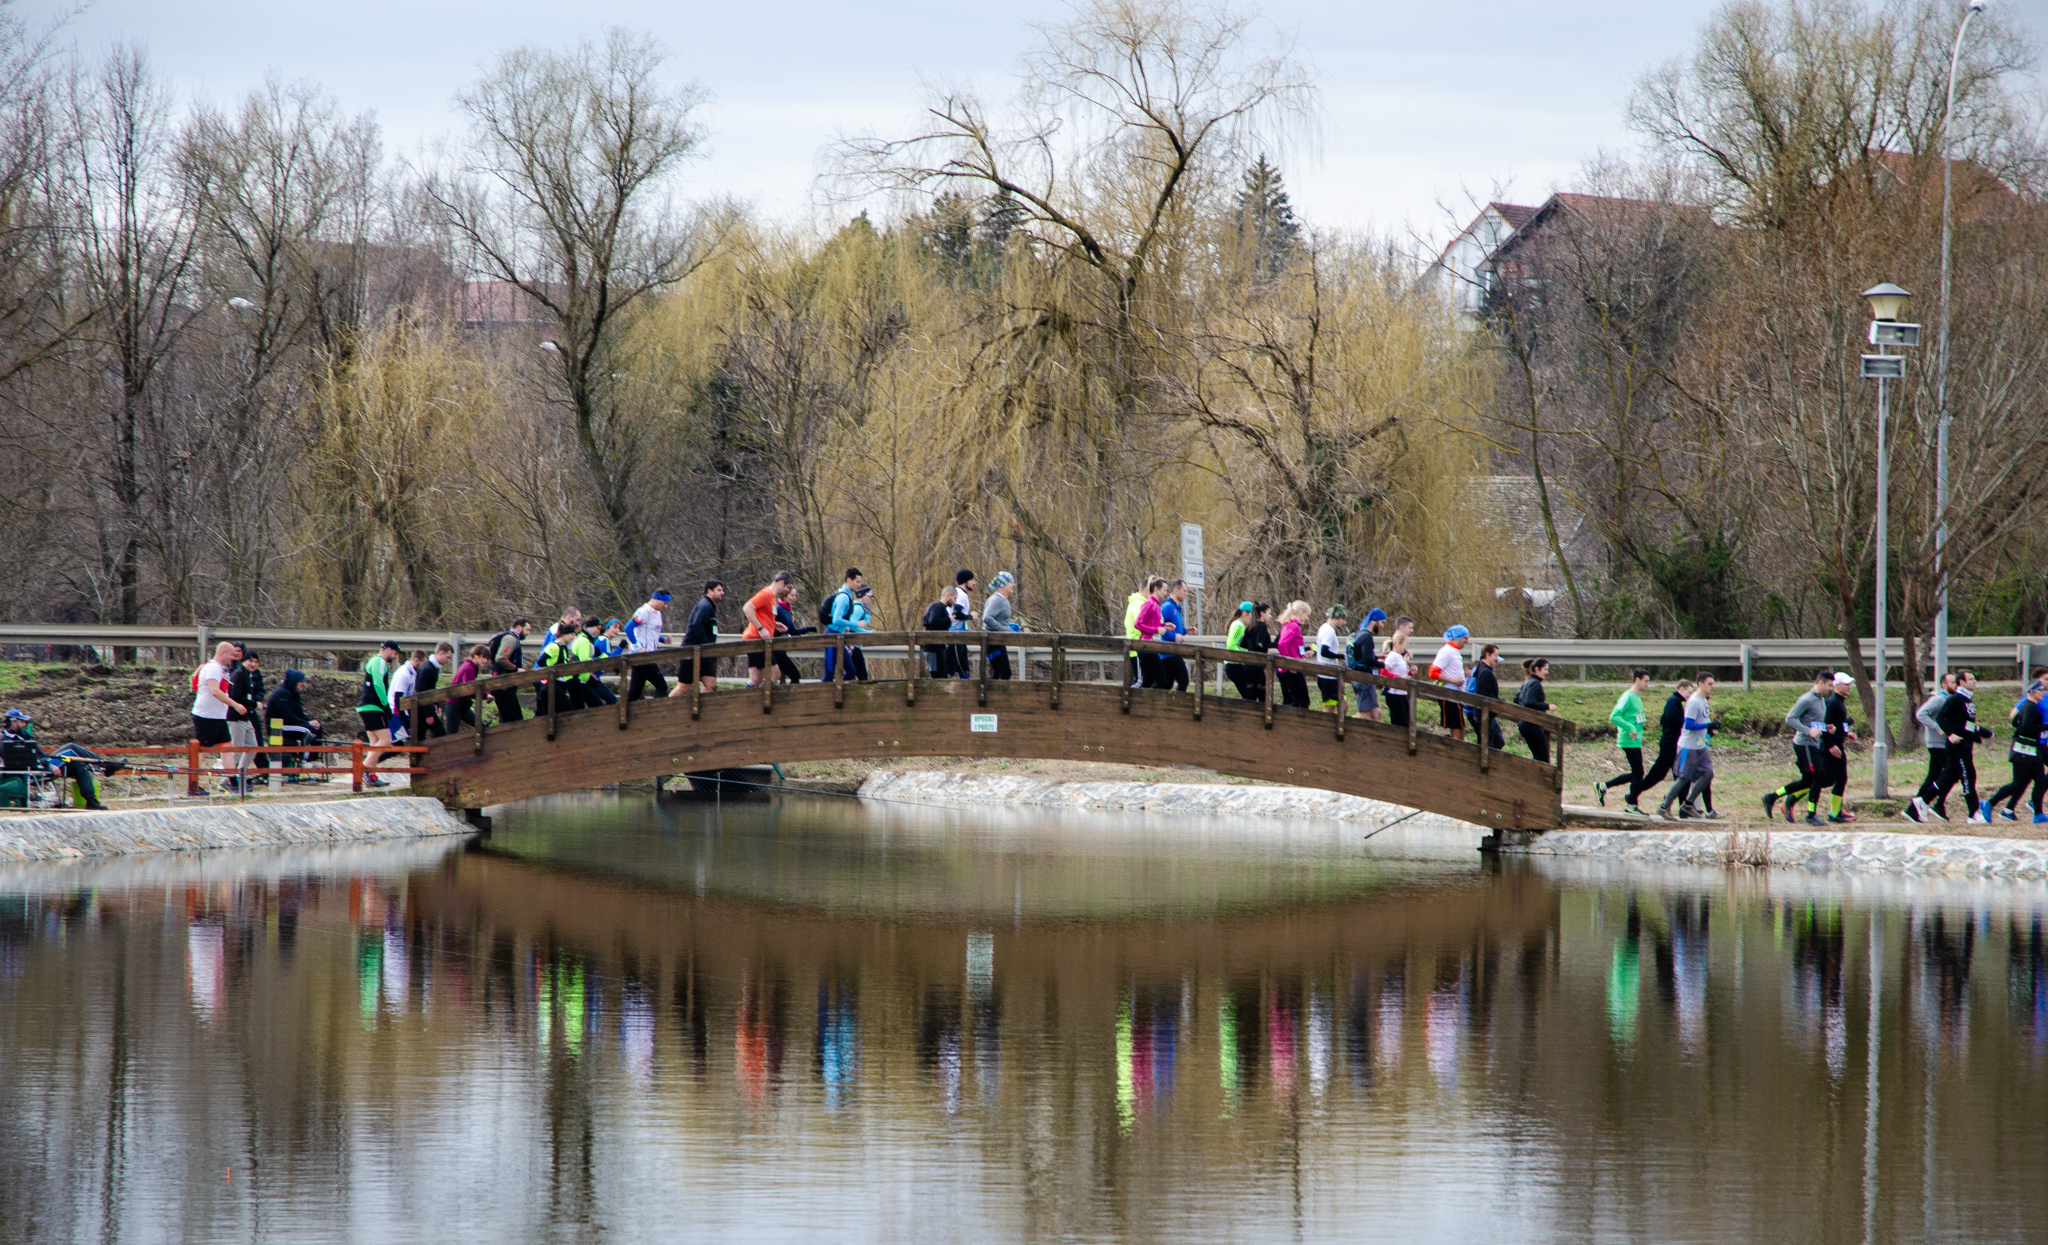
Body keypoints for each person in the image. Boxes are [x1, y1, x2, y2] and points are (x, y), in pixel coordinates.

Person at [2, 707, 110, 809]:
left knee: (76, 761)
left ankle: (91, 799)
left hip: (40, 763)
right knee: (70, 750)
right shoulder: (6, 740)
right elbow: (26, 759)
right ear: (13, 722)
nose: (25, 724)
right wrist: (49, 765)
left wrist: (47, 759)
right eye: (22, 721)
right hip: (33, 771)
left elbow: (37, 753)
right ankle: (106, 766)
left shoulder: (22, 736)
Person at [1765, 671, 1833, 825]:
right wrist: (1808, 731)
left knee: (1807, 781)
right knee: (1819, 776)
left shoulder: (1821, 699)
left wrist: (1825, 727)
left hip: (1812, 744)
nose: (1831, 689)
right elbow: (1790, 719)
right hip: (1805, 744)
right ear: (1820, 683)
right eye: (1829, 685)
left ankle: (1771, 797)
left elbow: (1811, 721)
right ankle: (1811, 815)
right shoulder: (1807, 699)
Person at [1928, 669, 1992, 822]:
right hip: (1957, 746)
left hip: (1966, 745)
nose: (1974, 681)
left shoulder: (1967, 701)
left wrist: (1979, 732)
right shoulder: (1955, 700)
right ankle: (1973, 813)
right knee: (1968, 776)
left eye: (1974, 679)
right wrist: (1950, 734)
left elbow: (1966, 724)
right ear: (1961, 682)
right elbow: (1941, 718)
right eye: (1971, 679)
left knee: (1949, 778)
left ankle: (1922, 802)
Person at [1659, 673, 1721, 820]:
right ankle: (1664, 807)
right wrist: (1708, 725)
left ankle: (1688, 805)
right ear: (1700, 684)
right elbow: (1688, 724)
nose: (1713, 686)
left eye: (1713, 683)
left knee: (1708, 774)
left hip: (1700, 746)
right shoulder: (1694, 702)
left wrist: (1709, 730)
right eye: (1710, 683)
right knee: (1683, 777)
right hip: (1688, 746)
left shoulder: (1703, 701)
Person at [1986, 681, 2048, 823]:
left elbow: (2016, 722)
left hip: (2032, 748)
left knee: (2040, 779)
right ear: (2032, 692)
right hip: (2024, 749)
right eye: (2040, 690)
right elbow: (2026, 727)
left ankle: (2038, 814)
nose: (2043, 692)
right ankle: (1989, 803)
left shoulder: (2028, 706)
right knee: (2018, 784)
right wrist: (2045, 727)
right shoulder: (2031, 707)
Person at [1595, 668, 1652, 815]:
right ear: (1637, 680)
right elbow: (1614, 716)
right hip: (1628, 740)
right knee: (1638, 773)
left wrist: (1640, 735)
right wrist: (1630, 728)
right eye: (1645, 681)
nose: (1647, 684)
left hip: (1635, 740)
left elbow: (1635, 718)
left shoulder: (1637, 697)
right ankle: (1631, 806)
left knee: (1636, 773)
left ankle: (1604, 786)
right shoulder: (1627, 696)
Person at [353, 641, 399, 789]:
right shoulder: (379, 662)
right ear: (389, 650)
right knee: (386, 741)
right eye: (395, 654)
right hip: (373, 707)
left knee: (375, 744)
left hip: (366, 707)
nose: (396, 657)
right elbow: (378, 684)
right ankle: (363, 768)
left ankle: (371, 776)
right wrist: (385, 705)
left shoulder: (373, 661)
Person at [265, 669, 324, 782]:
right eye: (301, 681)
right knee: (308, 731)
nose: (303, 684)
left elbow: (299, 713)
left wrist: (311, 721)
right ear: (294, 681)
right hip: (279, 726)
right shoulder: (281, 694)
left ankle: (313, 759)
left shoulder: (295, 693)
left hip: (290, 724)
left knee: (317, 728)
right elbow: (287, 717)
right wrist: (307, 724)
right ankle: (303, 762)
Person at [1910, 674, 1956, 820]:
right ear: (1944, 685)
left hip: (1941, 744)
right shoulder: (1938, 699)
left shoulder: (1948, 700)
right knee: (1952, 773)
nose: (1956, 685)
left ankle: (1913, 810)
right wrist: (1937, 727)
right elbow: (1921, 714)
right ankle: (1937, 805)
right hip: (1937, 744)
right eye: (1953, 682)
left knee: (1934, 775)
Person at [742, 573, 796, 688]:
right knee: (775, 674)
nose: (787, 590)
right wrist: (761, 628)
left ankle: (747, 703)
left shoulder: (772, 597)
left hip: (754, 640)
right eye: (787, 587)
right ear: (781, 582)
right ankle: (763, 703)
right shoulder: (766, 594)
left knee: (756, 679)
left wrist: (774, 624)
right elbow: (747, 608)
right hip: (756, 640)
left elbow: (762, 615)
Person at [1819, 671, 1859, 823]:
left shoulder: (1839, 701)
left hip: (1838, 745)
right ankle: (1791, 797)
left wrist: (1845, 734)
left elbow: (1837, 724)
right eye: (1846, 684)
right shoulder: (1833, 702)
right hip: (1830, 748)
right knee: (1824, 780)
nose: (1849, 687)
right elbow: (1824, 726)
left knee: (1841, 778)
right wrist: (1830, 746)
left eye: (1850, 684)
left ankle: (1835, 813)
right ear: (1836, 685)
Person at [674, 581, 726, 694]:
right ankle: (665, 709)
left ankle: (700, 711)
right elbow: (697, 624)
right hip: (691, 651)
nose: (723, 593)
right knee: (684, 687)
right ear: (710, 591)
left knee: (710, 684)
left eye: (722, 590)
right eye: (719, 590)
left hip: (703, 653)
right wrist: (706, 644)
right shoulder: (705, 605)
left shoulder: (711, 607)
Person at [226, 648, 266, 793]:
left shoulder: (248, 675)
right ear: (244, 661)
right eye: (250, 661)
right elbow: (235, 695)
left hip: (246, 717)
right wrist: (254, 704)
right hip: (236, 718)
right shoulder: (239, 675)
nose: (253, 664)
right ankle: (227, 780)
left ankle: (240, 776)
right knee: (236, 750)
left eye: (256, 662)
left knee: (252, 747)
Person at [625, 591, 673, 701]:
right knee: (662, 687)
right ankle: (654, 715)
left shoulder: (657, 614)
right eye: (665, 603)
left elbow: (652, 634)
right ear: (657, 599)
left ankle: (624, 716)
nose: (666, 606)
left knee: (634, 694)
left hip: (649, 655)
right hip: (642, 657)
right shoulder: (644, 611)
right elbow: (628, 628)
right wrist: (638, 647)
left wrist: (664, 640)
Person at [1427, 625, 1470, 741]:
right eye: (1466, 638)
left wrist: (1463, 676)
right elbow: (1433, 672)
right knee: (1458, 726)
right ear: (1458, 637)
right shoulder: (1447, 651)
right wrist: (1454, 681)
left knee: (1458, 726)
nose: (1467, 641)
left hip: (1456, 694)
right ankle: (1458, 752)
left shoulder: (1453, 651)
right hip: (1450, 694)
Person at [821, 570, 865, 682]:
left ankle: (837, 696)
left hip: (838, 636)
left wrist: (845, 626)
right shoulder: (844, 597)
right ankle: (820, 698)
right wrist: (856, 624)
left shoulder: (845, 596)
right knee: (829, 675)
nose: (859, 585)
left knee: (851, 671)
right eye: (857, 582)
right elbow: (836, 619)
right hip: (832, 636)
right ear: (849, 580)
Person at [487, 618, 532, 725]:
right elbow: (501, 658)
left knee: (509, 719)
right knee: (515, 720)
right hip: (503, 687)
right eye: (527, 630)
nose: (528, 633)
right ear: (519, 628)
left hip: (504, 686)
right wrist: (516, 669)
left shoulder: (509, 637)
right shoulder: (511, 639)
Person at [1346, 609, 1387, 720]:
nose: (1382, 626)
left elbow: (1362, 657)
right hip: (1363, 678)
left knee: (1376, 713)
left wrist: (1378, 656)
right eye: (1382, 622)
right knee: (1364, 713)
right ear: (1375, 621)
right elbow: (1367, 659)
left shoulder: (1360, 633)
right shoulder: (1367, 637)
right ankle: (1347, 731)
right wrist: (1384, 665)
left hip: (1363, 677)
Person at [1469, 643, 1506, 751]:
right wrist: (1499, 702)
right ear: (1487, 655)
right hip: (1484, 713)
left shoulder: (1480, 668)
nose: (1497, 659)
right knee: (1492, 743)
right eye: (1495, 656)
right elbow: (1485, 694)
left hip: (1481, 713)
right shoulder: (1486, 672)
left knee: (1495, 741)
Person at [983, 571, 1020, 680]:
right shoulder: (997, 600)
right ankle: (982, 692)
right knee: (1005, 674)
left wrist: (1009, 625)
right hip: (993, 643)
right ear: (1003, 585)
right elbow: (987, 618)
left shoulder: (1001, 599)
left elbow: (998, 618)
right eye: (1011, 582)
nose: (1014, 585)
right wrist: (1005, 629)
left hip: (997, 641)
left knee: (998, 675)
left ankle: (988, 695)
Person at [1133, 577, 1169, 689]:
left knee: (1148, 681)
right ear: (1156, 589)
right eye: (1164, 590)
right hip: (1146, 646)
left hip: (1150, 646)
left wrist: (1165, 626)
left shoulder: (1156, 605)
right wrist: (1157, 630)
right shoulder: (1149, 604)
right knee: (1162, 681)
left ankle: (1139, 704)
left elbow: (1152, 624)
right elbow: (1138, 624)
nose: (1166, 593)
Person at [1514, 658, 1552, 760]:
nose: (1547, 672)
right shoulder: (1535, 683)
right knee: (1543, 757)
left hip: (1523, 723)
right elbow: (1529, 702)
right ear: (1537, 669)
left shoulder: (1527, 682)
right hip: (1531, 723)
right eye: (1545, 669)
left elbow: (1516, 698)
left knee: (1537, 755)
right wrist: (1547, 706)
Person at [447, 645, 489, 735]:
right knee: (451, 735)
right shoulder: (469, 668)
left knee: (479, 725)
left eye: (487, 659)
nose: (485, 661)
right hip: (455, 704)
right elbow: (470, 690)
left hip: (460, 704)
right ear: (476, 655)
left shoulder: (470, 666)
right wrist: (486, 695)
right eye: (483, 657)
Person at [1158, 579, 1191, 692]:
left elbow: (1173, 628)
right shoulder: (1167, 607)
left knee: (1167, 683)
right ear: (1176, 590)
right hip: (1169, 651)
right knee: (1183, 680)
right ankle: (1178, 708)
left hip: (1174, 650)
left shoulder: (1176, 608)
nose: (1186, 594)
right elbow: (1159, 627)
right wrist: (1174, 637)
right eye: (1184, 591)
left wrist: (1186, 630)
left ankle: (1159, 706)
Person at [416, 642, 453, 737]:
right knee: (439, 733)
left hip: (425, 707)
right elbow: (421, 692)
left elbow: (431, 689)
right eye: (448, 657)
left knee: (423, 736)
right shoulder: (427, 669)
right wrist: (428, 714)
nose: (449, 660)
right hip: (422, 709)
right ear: (441, 653)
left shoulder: (431, 667)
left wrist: (436, 704)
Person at [1223, 602, 1258, 701]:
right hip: (1234, 665)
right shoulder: (1239, 625)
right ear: (1244, 613)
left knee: (1248, 695)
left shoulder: (1239, 624)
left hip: (1236, 665)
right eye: (1252, 614)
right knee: (1249, 695)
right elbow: (1231, 645)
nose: (1253, 618)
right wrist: (1246, 654)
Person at [1315, 606, 1347, 710]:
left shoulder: (1324, 628)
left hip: (1331, 675)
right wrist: (1340, 656)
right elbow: (1324, 651)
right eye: (1343, 619)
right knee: (1330, 708)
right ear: (1336, 618)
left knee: (1344, 706)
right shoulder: (1329, 631)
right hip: (1327, 676)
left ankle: (1339, 726)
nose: (1344, 622)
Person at [922, 586, 959, 678]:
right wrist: (948, 619)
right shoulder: (937, 606)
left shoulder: (939, 607)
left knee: (942, 675)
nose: (955, 601)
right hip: (932, 648)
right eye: (954, 598)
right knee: (937, 676)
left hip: (937, 647)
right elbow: (933, 621)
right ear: (947, 595)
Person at [1381, 630, 1414, 729]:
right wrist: (1399, 678)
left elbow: (1401, 673)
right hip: (1394, 693)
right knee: (1401, 723)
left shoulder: (1399, 657)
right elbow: (1383, 672)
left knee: (1406, 722)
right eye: (1404, 645)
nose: (1405, 648)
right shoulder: (1392, 656)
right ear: (1398, 643)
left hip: (1402, 693)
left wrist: (1410, 673)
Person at [951, 570, 977, 679]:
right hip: (955, 636)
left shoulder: (960, 593)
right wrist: (971, 617)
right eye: (971, 580)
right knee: (953, 668)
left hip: (960, 636)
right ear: (965, 582)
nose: (974, 583)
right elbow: (956, 614)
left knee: (964, 668)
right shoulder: (961, 594)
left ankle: (966, 692)